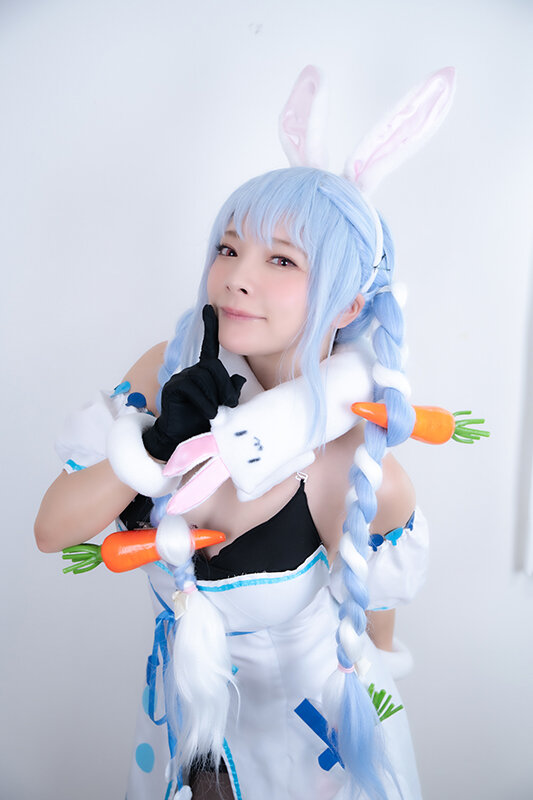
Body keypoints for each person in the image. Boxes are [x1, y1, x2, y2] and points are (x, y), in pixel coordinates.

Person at [35, 67, 456, 799]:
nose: (236, 276)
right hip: (179, 737)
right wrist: (153, 445)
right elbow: (52, 530)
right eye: (228, 249)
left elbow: (376, 628)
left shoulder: (356, 462)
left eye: (281, 259)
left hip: (311, 755)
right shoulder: (162, 370)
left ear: (348, 301)